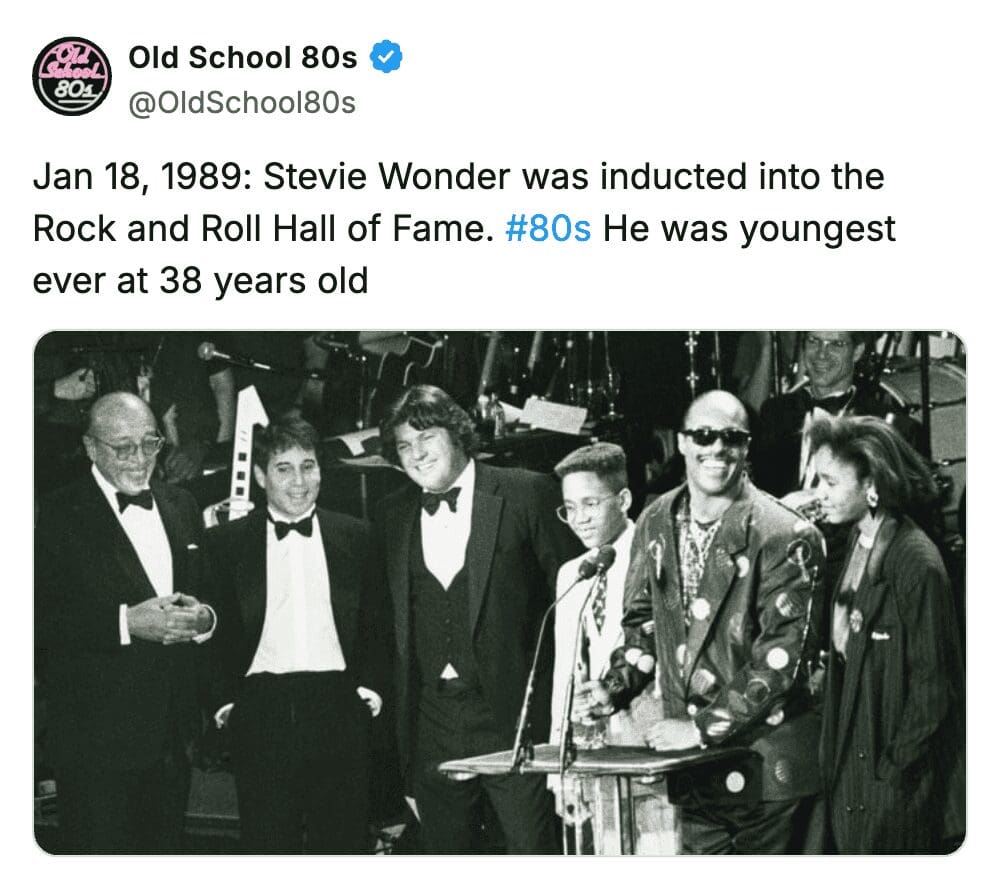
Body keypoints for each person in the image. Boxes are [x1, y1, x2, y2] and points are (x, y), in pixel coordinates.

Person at [579, 390, 825, 853]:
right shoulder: (655, 519)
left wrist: (698, 728)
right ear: (682, 442)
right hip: (695, 773)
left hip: (766, 772)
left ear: (747, 447)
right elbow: (643, 624)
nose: (717, 448)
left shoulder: (787, 535)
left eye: (731, 438)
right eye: (705, 436)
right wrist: (613, 687)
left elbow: (779, 663)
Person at [375, 384, 582, 852]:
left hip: (515, 723)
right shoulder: (392, 514)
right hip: (433, 725)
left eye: (426, 437)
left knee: (534, 855)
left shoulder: (525, 492)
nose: (416, 453)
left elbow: (575, 597)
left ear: (457, 434)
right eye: (405, 445)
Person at [35, 392, 214, 852]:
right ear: (91, 447)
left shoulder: (182, 506)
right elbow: (35, 620)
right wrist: (125, 622)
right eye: (123, 447)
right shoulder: (52, 514)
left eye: (149, 443)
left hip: (172, 738)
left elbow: (211, 599)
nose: (140, 459)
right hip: (94, 742)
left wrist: (204, 619)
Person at [202, 418, 387, 852]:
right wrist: (226, 705)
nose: (300, 481)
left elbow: (379, 625)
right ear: (261, 476)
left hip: (340, 705)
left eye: (309, 466)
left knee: (342, 846)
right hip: (261, 710)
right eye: (284, 468)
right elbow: (211, 631)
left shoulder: (357, 536)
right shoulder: (226, 544)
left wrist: (372, 690)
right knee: (267, 845)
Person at [810, 415, 965, 852]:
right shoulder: (853, 544)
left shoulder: (916, 561)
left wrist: (891, 772)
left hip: (895, 783)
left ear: (872, 484)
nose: (819, 494)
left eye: (830, 482)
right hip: (855, 769)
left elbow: (934, 688)